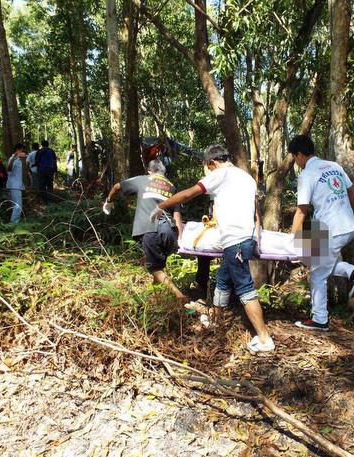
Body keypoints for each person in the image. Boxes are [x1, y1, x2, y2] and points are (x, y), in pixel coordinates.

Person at [153, 145, 275, 354]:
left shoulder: (220, 174)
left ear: (212, 163)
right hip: (243, 238)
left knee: (245, 288)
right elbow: (255, 211)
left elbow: (187, 195)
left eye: (206, 169)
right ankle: (216, 320)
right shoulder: (247, 178)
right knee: (223, 279)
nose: (207, 173)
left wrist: (160, 206)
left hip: (235, 240)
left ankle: (264, 338)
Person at [288, 135, 354, 331]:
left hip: (329, 228)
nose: (296, 162)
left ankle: (320, 320)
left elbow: (301, 210)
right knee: (319, 263)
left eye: (294, 157)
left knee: (317, 275)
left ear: (299, 154)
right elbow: (353, 192)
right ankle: (351, 271)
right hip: (342, 224)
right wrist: (345, 210)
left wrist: (291, 238)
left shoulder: (306, 174)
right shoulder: (334, 166)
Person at [103, 159, 187, 303]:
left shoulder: (143, 180)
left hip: (150, 230)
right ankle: (157, 300)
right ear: (163, 172)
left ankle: (179, 296)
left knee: (154, 268)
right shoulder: (172, 186)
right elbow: (177, 215)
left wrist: (109, 201)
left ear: (149, 171)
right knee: (159, 267)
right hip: (169, 231)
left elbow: (117, 186)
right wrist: (179, 238)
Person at [6, 143, 27, 224]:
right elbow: (8, 169)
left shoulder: (18, 159)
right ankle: (13, 224)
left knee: (14, 205)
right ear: (18, 149)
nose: (23, 151)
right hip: (14, 186)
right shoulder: (13, 158)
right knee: (18, 206)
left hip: (16, 185)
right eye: (22, 150)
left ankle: (12, 222)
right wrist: (14, 157)